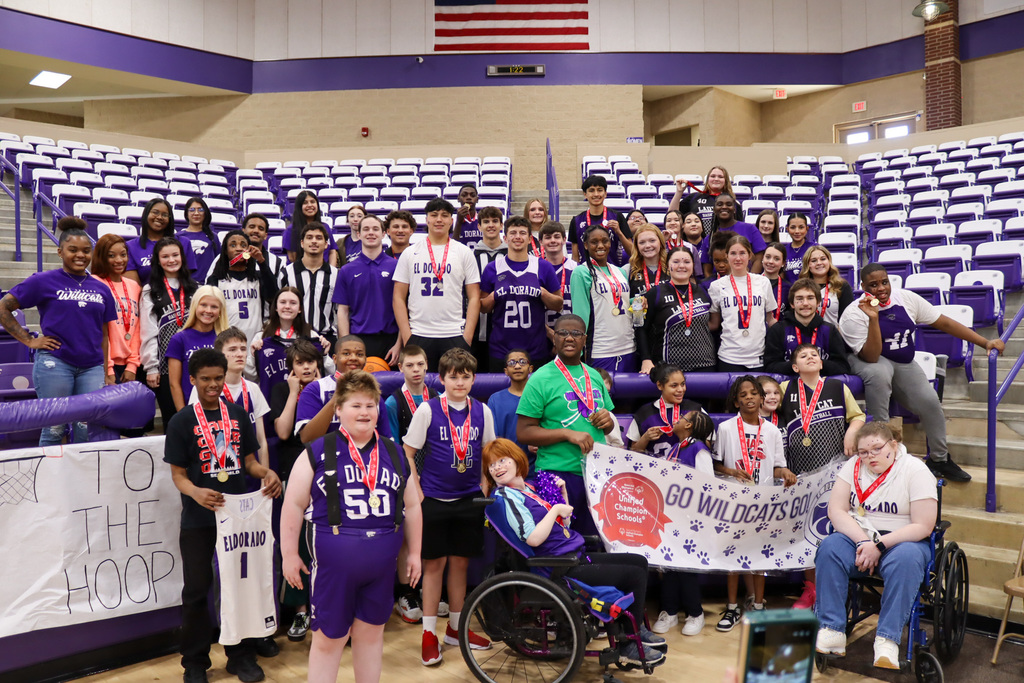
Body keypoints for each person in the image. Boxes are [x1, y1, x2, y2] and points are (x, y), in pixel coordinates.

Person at [281, 370, 423, 683]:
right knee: (328, 639)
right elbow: (292, 504)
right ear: (338, 410)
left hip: (381, 568)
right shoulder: (317, 451)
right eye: (356, 405)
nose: (364, 412)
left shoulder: (395, 452)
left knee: (371, 636)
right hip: (333, 568)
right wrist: (289, 554)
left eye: (370, 405)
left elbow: (412, 506)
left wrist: (414, 553)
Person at [483, 438, 666, 667]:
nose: (497, 467)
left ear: (516, 460)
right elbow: (533, 538)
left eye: (502, 460)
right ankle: (628, 644)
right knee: (633, 574)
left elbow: (565, 524)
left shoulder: (530, 488)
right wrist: (555, 510)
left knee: (639, 562)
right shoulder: (506, 497)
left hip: (571, 554)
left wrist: (562, 495)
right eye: (491, 465)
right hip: (557, 567)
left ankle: (634, 627)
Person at [164, 348, 282, 683]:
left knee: (237, 586)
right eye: (206, 379)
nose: (213, 384)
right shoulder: (181, 421)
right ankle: (195, 662)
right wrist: (196, 492)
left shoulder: (238, 415)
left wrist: (266, 473)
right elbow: (178, 476)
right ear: (192, 380)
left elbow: (249, 463)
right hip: (199, 519)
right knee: (197, 590)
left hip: (236, 519)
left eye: (218, 378)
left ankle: (240, 655)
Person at [839, 263, 1004, 483]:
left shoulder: (906, 299)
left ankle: (939, 459)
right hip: (866, 359)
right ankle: (882, 449)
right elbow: (871, 355)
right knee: (880, 372)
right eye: (873, 285)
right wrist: (874, 319)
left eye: (884, 282)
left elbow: (944, 323)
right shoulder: (853, 314)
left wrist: (985, 342)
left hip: (901, 360)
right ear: (863, 287)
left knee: (930, 402)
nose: (881, 288)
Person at [814, 422, 937, 670]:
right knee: (829, 548)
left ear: (893, 445)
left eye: (877, 449)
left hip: (902, 541)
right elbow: (836, 510)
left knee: (907, 560)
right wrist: (863, 541)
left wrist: (878, 546)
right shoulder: (853, 466)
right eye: (863, 452)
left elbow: (924, 526)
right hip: (860, 537)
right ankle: (832, 629)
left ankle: (887, 640)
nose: (870, 456)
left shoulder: (915, 470)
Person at [401, 348, 496, 666]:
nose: (459, 382)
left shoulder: (482, 410)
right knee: (433, 567)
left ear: (473, 379)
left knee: (460, 565)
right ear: (441, 379)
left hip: (469, 499)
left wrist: (484, 486)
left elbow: (488, 451)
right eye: (453, 376)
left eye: (465, 376)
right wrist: (417, 491)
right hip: (434, 500)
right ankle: (429, 633)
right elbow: (407, 452)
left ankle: (456, 629)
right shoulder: (428, 410)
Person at [0, 220, 116, 446]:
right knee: (54, 428)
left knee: (87, 429)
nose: (80, 255)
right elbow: (3, 307)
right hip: (56, 363)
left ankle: (81, 469)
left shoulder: (101, 288)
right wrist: (29, 340)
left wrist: (105, 371)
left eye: (86, 250)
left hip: (92, 367)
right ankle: (49, 470)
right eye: (73, 250)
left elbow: (104, 334)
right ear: (60, 251)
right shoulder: (43, 281)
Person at [778, 344, 866, 611]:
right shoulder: (785, 389)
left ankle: (837, 589)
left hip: (834, 474)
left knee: (833, 530)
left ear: (821, 362)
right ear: (795, 367)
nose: (810, 357)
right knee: (807, 533)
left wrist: (852, 431)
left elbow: (858, 416)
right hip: (800, 475)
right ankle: (811, 589)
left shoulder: (838, 387)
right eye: (803, 356)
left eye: (814, 354)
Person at [517, 314, 617, 536]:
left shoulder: (595, 376)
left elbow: (608, 427)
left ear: (585, 339)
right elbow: (523, 432)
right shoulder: (539, 378)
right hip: (556, 474)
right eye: (563, 333)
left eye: (576, 333)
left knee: (594, 541)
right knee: (558, 540)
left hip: (595, 473)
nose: (569, 338)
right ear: (554, 338)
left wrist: (608, 422)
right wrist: (567, 434)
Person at [713, 376, 795, 632]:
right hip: (734, 502)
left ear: (762, 398)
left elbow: (777, 466)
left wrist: (785, 473)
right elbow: (715, 464)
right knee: (732, 556)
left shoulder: (772, 431)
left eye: (753, 393)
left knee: (760, 555)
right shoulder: (726, 428)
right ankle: (732, 607)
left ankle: (758, 605)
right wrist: (732, 472)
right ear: (736, 401)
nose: (749, 397)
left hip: (762, 503)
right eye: (743, 394)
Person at [268, 338, 323, 644]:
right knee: (299, 544)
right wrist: (293, 394)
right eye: (299, 363)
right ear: (291, 367)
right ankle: (300, 610)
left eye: (310, 361)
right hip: (295, 473)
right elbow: (283, 431)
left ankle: (323, 606)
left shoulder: (329, 389)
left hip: (328, 472)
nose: (306, 367)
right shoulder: (281, 390)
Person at [393, 198, 481, 372]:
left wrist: (467, 337)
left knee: (455, 383)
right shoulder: (410, 252)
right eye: (434, 215)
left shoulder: (464, 252)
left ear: (451, 220)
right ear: (427, 219)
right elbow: (398, 297)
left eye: (444, 215)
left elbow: (474, 296)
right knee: (419, 384)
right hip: (419, 333)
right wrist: (407, 336)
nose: (439, 219)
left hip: (454, 332)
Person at [650, 410, 716, 637]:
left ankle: (695, 613)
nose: (676, 421)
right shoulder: (675, 448)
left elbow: (708, 486)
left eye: (681, 419)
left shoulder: (699, 450)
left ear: (689, 426)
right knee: (669, 566)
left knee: (686, 569)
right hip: (670, 518)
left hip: (690, 521)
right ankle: (669, 612)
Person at [480, 217, 562, 372]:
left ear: (530, 238)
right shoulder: (492, 268)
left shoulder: (543, 266)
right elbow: (483, 307)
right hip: (501, 349)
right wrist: (494, 295)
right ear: (505, 238)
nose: (517, 237)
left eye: (522, 233)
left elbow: (559, 304)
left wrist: (542, 293)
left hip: (535, 349)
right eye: (513, 233)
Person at [189, 328, 272, 470]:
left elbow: (261, 441)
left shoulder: (253, 389)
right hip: (217, 468)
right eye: (232, 349)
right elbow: (194, 434)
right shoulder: (204, 389)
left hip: (251, 470)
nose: (239, 354)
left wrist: (265, 476)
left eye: (243, 349)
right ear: (220, 355)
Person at [141, 236, 200, 424]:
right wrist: (152, 367)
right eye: (165, 256)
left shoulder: (197, 288)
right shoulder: (150, 290)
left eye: (175, 255)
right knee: (173, 421)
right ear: (158, 261)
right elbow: (148, 331)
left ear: (182, 257)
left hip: (194, 361)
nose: (171, 260)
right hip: (165, 366)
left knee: (198, 417)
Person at [207, 230, 279, 379]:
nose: (238, 248)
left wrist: (262, 262)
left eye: (243, 245)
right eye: (233, 245)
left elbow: (274, 295)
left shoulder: (257, 278)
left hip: (254, 340)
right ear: (225, 251)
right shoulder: (216, 280)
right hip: (225, 340)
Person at [296, 335, 392, 444]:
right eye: (346, 354)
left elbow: (386, 441)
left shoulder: (373, 393)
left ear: (365, 360)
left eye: (359, 354)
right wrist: (335, 399)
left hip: (366, 454)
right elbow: (307, 438)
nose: (353, 358)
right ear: (335, 359)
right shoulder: (316, 389)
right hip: (327, 454)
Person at [637, 246, 716, 373]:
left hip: (705, 364)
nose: (681, 266)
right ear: (667, 266)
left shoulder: (703, 291)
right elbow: (641, 328)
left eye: (687, 262)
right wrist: (646, 359)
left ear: (693, 265)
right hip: (668, 367)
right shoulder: (655, 293)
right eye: (676, 262)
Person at [334, 214, 400, 364]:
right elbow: (343, 311)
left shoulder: (396, 267)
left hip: (391, 341)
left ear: (384, 234)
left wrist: (399, 344)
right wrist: (346, 345)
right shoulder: (346, 270)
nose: (371, 233)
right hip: (359, 340)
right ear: (359, 234)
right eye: (366, 229)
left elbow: (405, 307)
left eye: (375, 229)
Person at [570, 224, 636, 372]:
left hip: (629, 347)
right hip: (601, 350)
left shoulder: (620, 272)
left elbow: (622, 303)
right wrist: (578, 352)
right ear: (585, 245)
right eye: (594, 242)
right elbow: (580, 314)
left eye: (604, 241)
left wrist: (637, 302)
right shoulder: (581, 273)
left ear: (610, 243)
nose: (600, 246)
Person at [708, 235, 777, 372]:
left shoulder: (763, 282)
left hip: (758, 357)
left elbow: (770, 319)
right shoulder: (716, 286)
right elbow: (714, 324)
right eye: (733, 253)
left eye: (742, 253)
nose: (738, 258)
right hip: (729, 357)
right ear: (727, 256)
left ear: (750, 255)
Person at [765, 278, 851, 376]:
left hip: (821, 384)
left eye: (810, 298)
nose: (805, 303)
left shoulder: (830, 330)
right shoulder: (778, 330)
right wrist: (797, 365)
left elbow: (843, 367)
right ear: (792, 304)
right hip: (789, 384)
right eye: (799, 299)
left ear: (818, 302)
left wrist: (816, 364)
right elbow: (770, 366)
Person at [253, 286, 325, 403]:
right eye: (283, 302)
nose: (287, 306)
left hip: (305, 400)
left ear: (300, 309)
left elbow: (327, 371)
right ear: (276, 307)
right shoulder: (261, 337)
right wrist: (253, 355)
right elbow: (252, 376)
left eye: (293, 303)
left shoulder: (311, 336)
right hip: (272, 401)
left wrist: (325, 353)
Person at [166, 286, 230, 412]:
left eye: (214, 307)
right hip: (192, 409)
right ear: (195, 306)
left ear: (220, 311)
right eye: (203, 305)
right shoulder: (179, 339)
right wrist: (183, 414)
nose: (208, 310)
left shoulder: (226, 339)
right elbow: (174, 384)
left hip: (223, 409)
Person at [91, 233, 142, 388]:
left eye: (123, 255)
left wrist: (132, 365)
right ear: (101, 257)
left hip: (128, 366)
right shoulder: (94, 284)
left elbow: (137, 328)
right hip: (103, 365)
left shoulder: (134, 286)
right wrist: (108, 369)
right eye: (111, 255)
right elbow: (99, 330)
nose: (119, 260)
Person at [281, 222, 340, 353]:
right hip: (294, 338)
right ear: (302, 243)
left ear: (326, 244)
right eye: (309, 237)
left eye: (319, 238)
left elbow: (340, 311)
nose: (314, 241)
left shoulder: (336, 274)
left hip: (326, 339)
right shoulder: (286, 273)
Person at [627, 363, 702, 458]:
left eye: (683, 384)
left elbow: (707, 446)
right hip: (654, 466)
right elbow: (633, 453)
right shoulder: (644, 414)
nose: (680, 389)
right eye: (674, 386)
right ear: (660, 385)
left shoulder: (695, 410)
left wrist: (691, 434)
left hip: (688, 466)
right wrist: (645, 438)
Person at [125, 197, 197, 285]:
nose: (159, 217)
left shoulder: (184, 243)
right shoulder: (131, 246)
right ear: (146, 214)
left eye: (165, 215)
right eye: (155, 212)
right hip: (145, 293)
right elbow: (133, 285)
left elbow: (188, 279)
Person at [568, 175, 633, 266]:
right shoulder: (576, 221)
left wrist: (619, 232)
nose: (596, 194)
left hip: (612, 271)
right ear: (585, 194)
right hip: (586, 271)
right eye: (591, 190)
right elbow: (575, 257)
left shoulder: (617, 217)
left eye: (600, 190)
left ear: (605, 193)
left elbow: (632, 252)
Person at [471, 206, 508, 366]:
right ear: (479, 226)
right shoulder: (470, 256)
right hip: (476, 328)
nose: (491, 225)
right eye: (486, 222)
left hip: (506, 329)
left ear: (501, 225)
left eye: (495, 221)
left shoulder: (511, 255)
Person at [701, 194, 766, 278]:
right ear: (714, 210)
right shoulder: (709, 238)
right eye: (720, 204)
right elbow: (707, 270)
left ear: (734, 209)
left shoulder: (750, 229)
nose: (724, 207)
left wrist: (749, 280)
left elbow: (759, 258)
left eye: (728, 204)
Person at [488, 349, 534, 467]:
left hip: (537, 465)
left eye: (522, 362)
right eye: (512, 363)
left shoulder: (540, 396)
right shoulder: (495, 399)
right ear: (506, 371)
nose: (517, 366)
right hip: (506, 466)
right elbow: (493, 438)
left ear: (530, 368)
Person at [670, 166, 736, 238]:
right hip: (696, 241)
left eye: (720, 177)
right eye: (713, 176)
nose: (716, 179)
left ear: (726, 181)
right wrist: (679, 192)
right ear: (707, 180)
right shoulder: (694, 197)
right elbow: (672, 214)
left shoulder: (731, 203)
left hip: (721, 241)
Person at [799, 246, 853, 327]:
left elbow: (847, 319)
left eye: (823, 259)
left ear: (829, 261)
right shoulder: (800, 287)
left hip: (833, 333)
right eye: (814, 260)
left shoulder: (841, 286)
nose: (819, 263)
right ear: (808, 265)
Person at [540, 220, 576, 342]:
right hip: (543, 335)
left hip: (572, 334)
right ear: (541, 242)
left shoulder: (576, 269)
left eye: (556, 236)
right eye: (548, 237)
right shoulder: (535, 269)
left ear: (564, 240)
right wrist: (550, 334)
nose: (552, 241)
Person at [284, 190, 339, 266]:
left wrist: (331, 271)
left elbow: (332, 252)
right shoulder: (291, 230)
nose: (309, 205)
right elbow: (292, 258)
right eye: (305, 203)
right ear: (299, 207)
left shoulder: (325, 227)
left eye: (312, 202)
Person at [179, 196, 220, 282]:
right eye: (192, 210)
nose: (196, 213)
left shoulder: (213, 237)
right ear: (186, 213)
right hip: (185, 284)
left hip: (207, 285)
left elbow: (218, 261)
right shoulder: (178, 237)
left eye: (200, 210)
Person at [242, 212, 287, 286]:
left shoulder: (277, 262)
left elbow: (279, 290)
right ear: (243, 231)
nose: (256, 231)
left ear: (266, 236)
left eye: (261, 228)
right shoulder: (229, 258)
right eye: (252, 227)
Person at [626, 223, 669, 299]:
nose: (647, 246)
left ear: (660, 242)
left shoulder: (672, 266)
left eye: (652, 241)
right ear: (637, 246)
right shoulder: (627, 270)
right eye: (642, 242)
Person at [761, 242, 790, 323]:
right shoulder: (752, 283)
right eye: (768, 257)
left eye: (776, 259)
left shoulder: (788, 289)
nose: (771, 261)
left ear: (783, 263)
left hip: (779, 329)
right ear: (762, 258)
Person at [783, 213, 814, 283]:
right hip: (788, 289)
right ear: (787, 229)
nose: (797, 231)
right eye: (793, 227)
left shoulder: (814, 248)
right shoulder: (783, 251)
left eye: (801, 227)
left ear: (807, 229)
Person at [453, 184, 482, 250]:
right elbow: (452, 246)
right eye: (464, 195)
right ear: (458, 199)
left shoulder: (483, 219)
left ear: (477, 199)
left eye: (472, 195)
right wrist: (458, 222)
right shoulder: (452, 221)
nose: (469, 198)